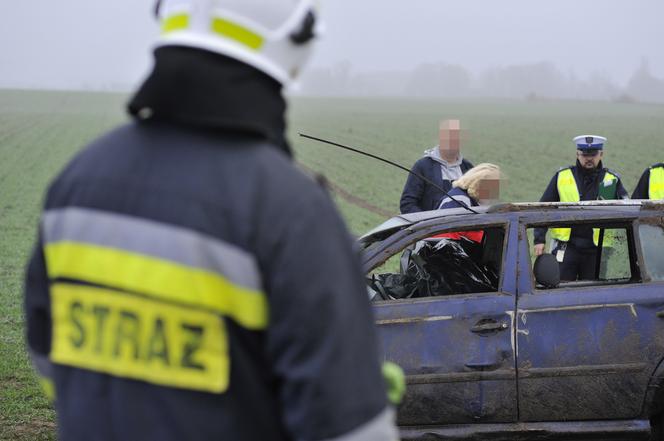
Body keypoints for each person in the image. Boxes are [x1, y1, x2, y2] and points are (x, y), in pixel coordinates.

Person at [23, 1, 398, 440]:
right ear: (295, 48)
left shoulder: (79, 181)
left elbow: (49, 356)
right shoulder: (291, 210)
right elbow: (349, 428)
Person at [533, 135, 628, 281]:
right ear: (577, 154)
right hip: (567, 247)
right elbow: (544, 207)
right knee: (561, 288)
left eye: (593, 154)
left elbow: (627, 209)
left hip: (597, 250)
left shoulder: (612, 179)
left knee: (593, 292)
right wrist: (539, 239)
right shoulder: (562, 176)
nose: (589, 158)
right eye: (584, 154)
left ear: (601, 154)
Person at [399, 119, 474, 213]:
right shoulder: (423, 167)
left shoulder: (468, 168)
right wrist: (427, 221)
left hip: (461, 226)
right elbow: (407, 204)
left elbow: (477, 201)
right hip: (433, 226)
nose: (452, 140)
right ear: (441, 137)